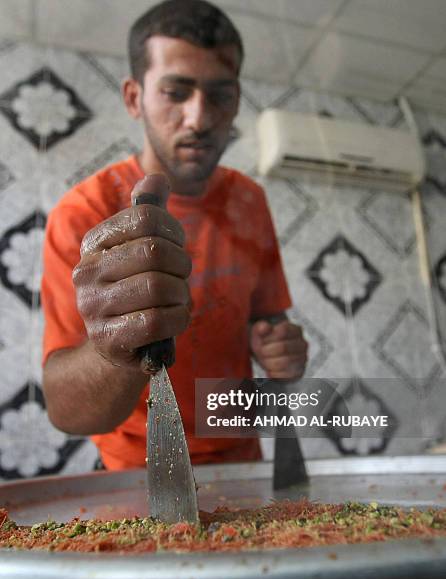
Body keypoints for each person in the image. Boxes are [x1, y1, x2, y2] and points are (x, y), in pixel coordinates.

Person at [41, 0, 308, 471]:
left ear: (237, 101)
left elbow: (269, 318)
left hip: (243, 463)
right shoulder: (81, 214)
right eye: (176, 92)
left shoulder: (251, 200)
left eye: (220, 95)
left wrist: (278, 345)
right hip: (137, 472)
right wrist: (116, 347)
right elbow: (66, 412)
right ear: (133, 97)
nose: (200, 119)